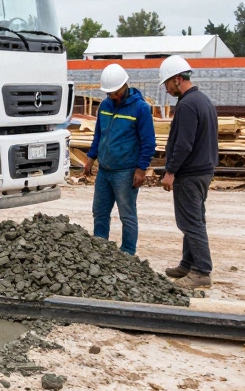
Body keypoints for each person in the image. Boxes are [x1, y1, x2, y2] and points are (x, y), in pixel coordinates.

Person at [158, 55, 219, 289]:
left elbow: (184, 144)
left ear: (177, 79)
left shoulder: (187, 105)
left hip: (190, 173)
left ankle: (202, 271)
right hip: (203, 170)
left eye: (166, 83)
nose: (166, 88)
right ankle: (188, 263)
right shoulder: (203, 101)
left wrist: (170, 171)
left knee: (190, 222)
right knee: (194, 219)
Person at [84, 63, 155, 255]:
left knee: (127, 215)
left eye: (114, 93)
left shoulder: (140, 108)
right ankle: (100, 249)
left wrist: (141, 169)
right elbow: (99, 133)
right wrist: (91, 157)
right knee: (99, 212)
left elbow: (148, 142)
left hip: (126, 171)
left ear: (124, 87)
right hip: (105, 170)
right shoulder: (105, 105)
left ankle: (128, 254)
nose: (111, 96)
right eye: (108, 93)